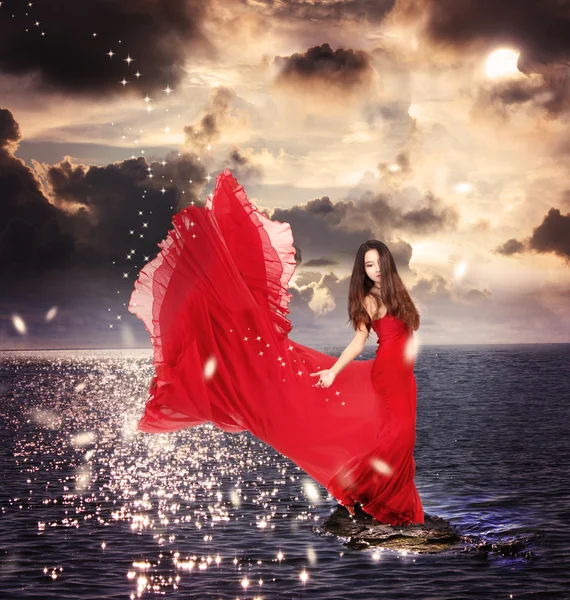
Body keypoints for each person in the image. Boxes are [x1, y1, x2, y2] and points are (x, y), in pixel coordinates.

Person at [128, 169, 424, 526]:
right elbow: (359, 341)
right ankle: (377, 502)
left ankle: (386, 504)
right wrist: (332, 371)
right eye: (368, 265)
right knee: (390, 440)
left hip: (404, 380)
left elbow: (407, 335)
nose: (375, 270)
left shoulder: (398, 295)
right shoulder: (369, 300)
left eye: (378, 263)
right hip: (385, 378)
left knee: (401, 443)